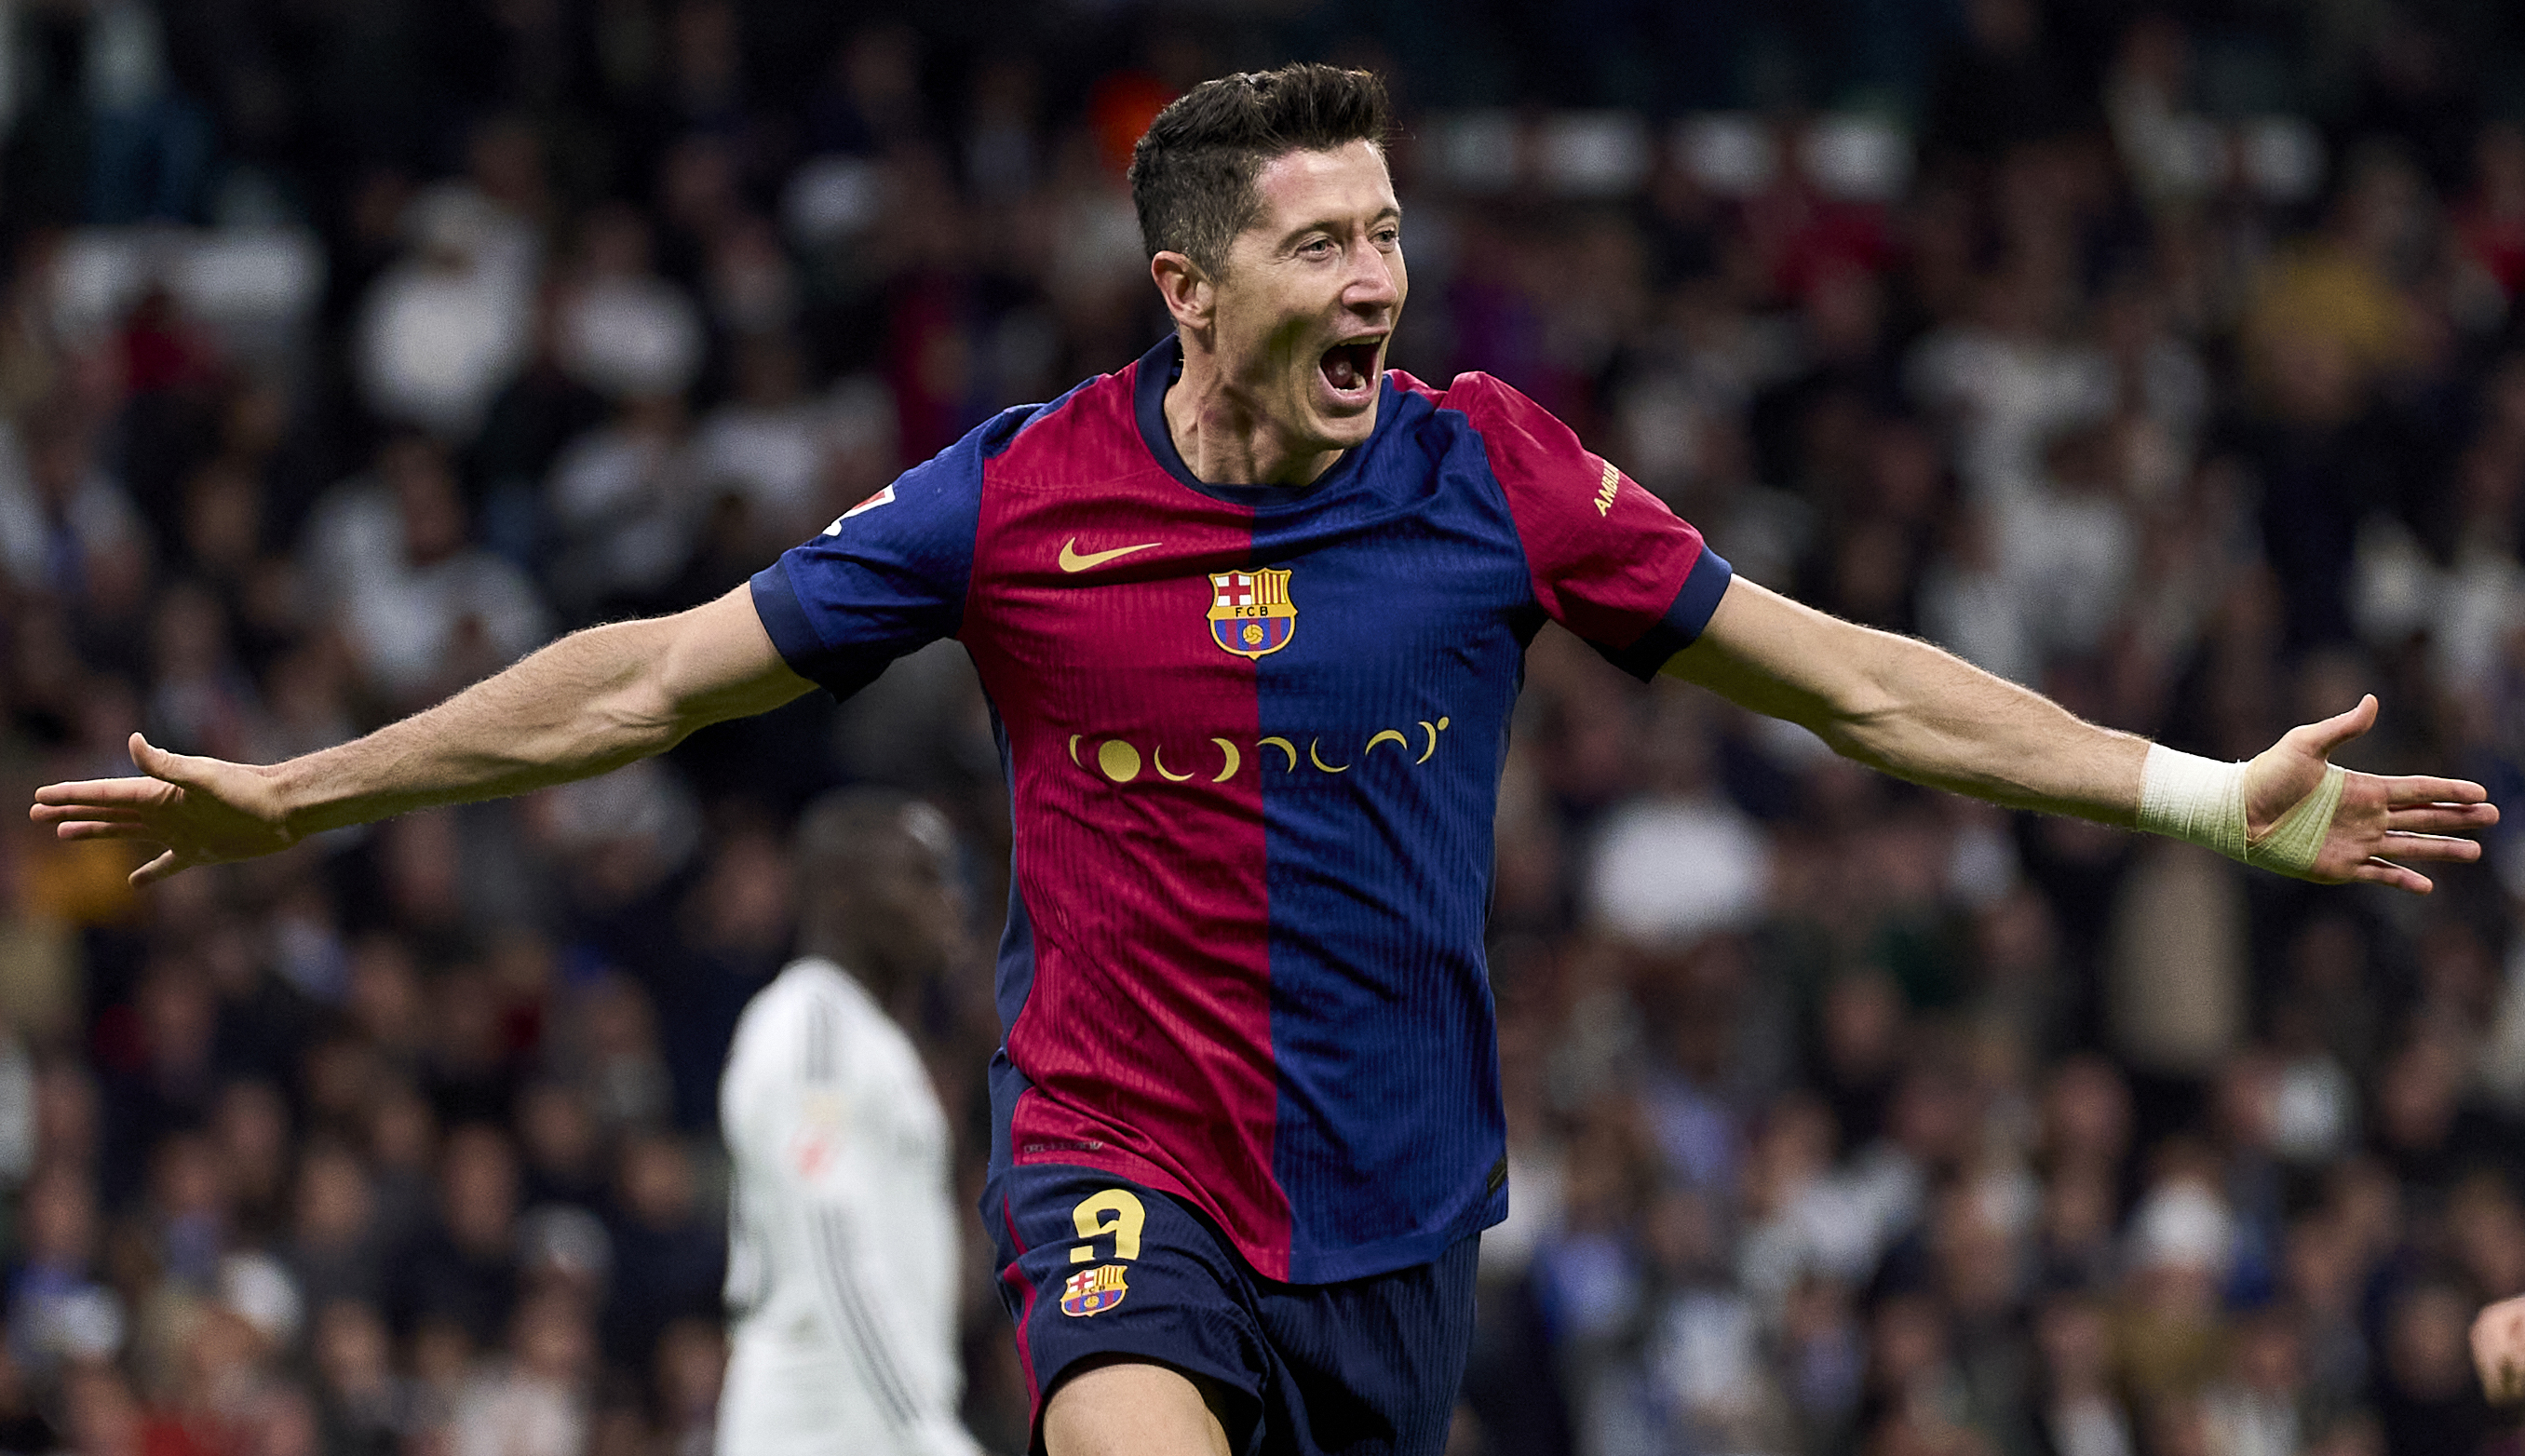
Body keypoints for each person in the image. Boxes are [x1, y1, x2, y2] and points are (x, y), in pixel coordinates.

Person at [29, 63, 2499, 1456]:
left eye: (1393, 234)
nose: (1380, 284)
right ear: (1189, 287)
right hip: (1122, 1158)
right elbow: (651, 679)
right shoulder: (1016, 495)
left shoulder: (1495, 472)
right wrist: (305, 790)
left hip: (1402, 1210)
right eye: (1326, 246)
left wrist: (2191, 790)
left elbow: (1851, 677)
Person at [716, 789, 982, 1456]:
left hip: (871, 1418)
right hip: (816, 1424)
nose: (949, 901)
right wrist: (923, 1427)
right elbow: (829, 1240)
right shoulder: (810, 1023)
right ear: (839, 892)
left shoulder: (872, 1040)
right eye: (920, 877)